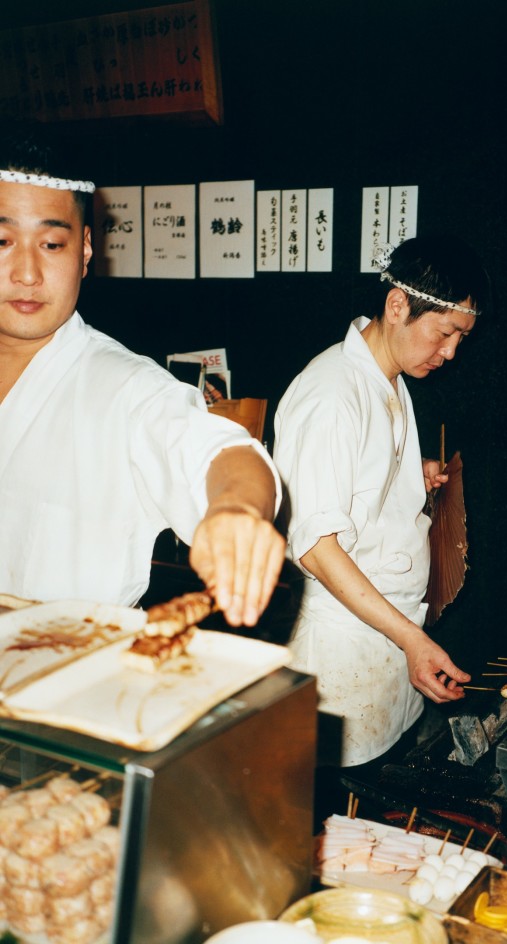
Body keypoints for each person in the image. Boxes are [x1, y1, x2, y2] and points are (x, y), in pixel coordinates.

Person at [0, 128, 285, 627]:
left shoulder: (124, 387)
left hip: (69, 686)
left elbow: (220, 452)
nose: (26, 272)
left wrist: (237, 510)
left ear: (85, 250)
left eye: (50, 243)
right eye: (2, 241)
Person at [273, 235, 491, 775]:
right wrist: (414, 641)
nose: (450, 353)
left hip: (385, 645)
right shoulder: (330, 395)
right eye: (444, 334)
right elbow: (317, 548)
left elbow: (355, 484)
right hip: (341, 651)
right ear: (398, 306)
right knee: (341, 811)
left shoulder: (388, 380)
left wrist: (405, 479)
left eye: (459, 338)